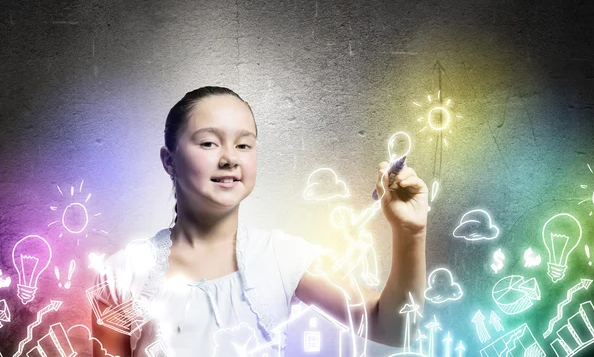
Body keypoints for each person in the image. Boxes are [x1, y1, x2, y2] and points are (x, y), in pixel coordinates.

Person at [91, 86, 428, 356]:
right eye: (208, 143)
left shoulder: (284, 258)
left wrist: (410, 231)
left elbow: (394, 328)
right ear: (170, 161)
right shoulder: (124, 272)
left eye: (243, 144)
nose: (229, 159)